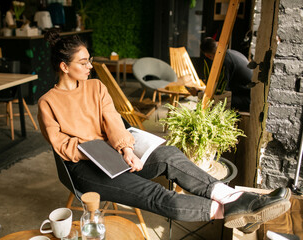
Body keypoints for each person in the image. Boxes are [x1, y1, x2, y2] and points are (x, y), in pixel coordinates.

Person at [37, 30, 290, 234]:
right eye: (83, 62)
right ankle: (237, 210)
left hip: (114, 154)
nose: (90, 65)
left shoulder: (95, 87)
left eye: (89, 59)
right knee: (155, 194)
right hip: (84, 168)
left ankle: (236, 198)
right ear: (64, 66)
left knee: (168, 154)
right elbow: (61, 145)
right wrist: (91, 150)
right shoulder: (48, 102)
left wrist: (126, 149)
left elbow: (112, 121)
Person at [200, 37, 252, 112]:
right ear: (217, 43)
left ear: (207, 56)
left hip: (246, 99)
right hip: (248, 95)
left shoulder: (224, 61)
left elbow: (223, 90)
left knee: (214, 101)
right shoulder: (230, 53)